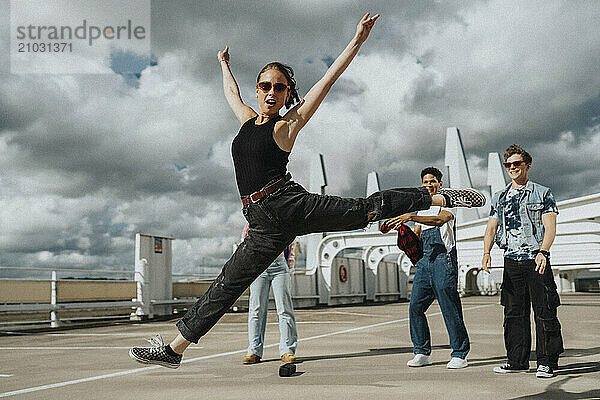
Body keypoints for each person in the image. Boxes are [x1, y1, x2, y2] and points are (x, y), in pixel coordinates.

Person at [129, 13, 485, 369]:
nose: (271, 92)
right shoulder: (246, 120)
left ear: (287, 94)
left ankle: (439, 196)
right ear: (257, 89)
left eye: (279, 87)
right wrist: (223, 64)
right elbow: (230, 93)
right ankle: (174, 350)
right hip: (261, 224)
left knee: (367, 208)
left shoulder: (288, 124)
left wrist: (357, 40)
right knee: (226, 285)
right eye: (265, 85)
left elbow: (328, 80)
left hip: (289, 203)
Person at [482, 144, 563, 378]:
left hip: (536, 260)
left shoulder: (542, 193)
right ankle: (517, 361)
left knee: (545, 311)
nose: (512, 168)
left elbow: (550, 227)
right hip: (511, 261)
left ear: (527, 165)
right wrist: (486, 252)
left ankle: (546, 362)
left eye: (516, 164)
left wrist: (544, 251)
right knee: (513, 313)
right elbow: (491, 228)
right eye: (508, 165)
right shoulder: (499, 197)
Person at [383, 167, 469, 369]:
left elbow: (440, 220)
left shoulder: (448, 202)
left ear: (440, 183)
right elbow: (417, 236)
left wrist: (410, 217)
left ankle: (459, 354)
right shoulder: (422, 208)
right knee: (416, 308)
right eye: (425, 182)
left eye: (432, 181)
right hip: (423, 263)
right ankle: (422, 352)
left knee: (449, 307)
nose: (429, 185)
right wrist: (404, 232)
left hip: (443, 260)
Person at [241, 223, 298, 365]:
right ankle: (254, 351)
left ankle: (287, 350)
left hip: (279, 266)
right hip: (259, 266)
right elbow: (245, 243)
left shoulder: (283, 216)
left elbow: (291, 242)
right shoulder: (252, 220)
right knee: (256, 310)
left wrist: (288, 268)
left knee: (284, 309)